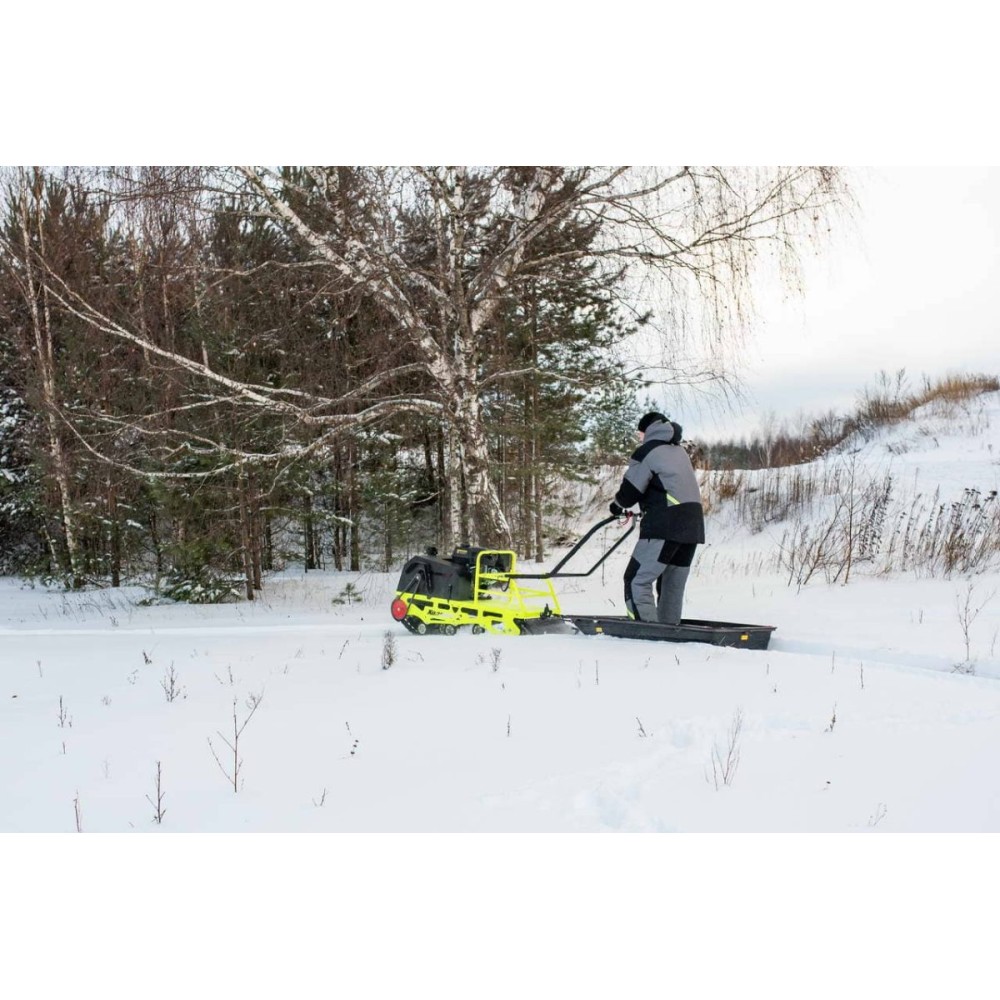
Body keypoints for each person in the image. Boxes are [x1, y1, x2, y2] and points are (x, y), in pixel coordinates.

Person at [609, 412, 705, 624]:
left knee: (636, 580)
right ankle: (669, 632)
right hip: (693, 526)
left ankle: (647, 634)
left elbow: (630, 492)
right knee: (671, 585)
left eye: (639, 433)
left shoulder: (647, 451)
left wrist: (617, 505)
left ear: (647, 431)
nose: (639, 438)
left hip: (665, 525)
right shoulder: (679, 451)